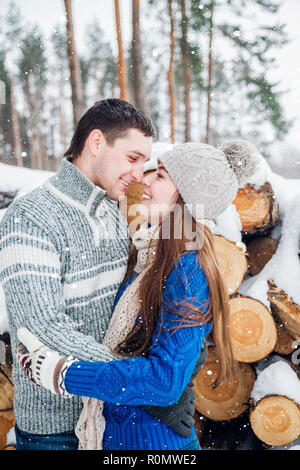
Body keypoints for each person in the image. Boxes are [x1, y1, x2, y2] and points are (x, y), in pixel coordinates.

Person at [17, 140, 262, 450]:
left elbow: (164, 381)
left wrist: (65, 375)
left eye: (160, 175)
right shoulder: (148, 253)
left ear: (186, 199)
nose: (144, 179)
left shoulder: (188, 270)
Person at [0, 99, 201, 450]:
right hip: (56, 428)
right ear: (96, 143)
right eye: (132, 158)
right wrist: (147, 391)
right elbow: (42, 326)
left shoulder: (116, 211)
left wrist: (175, 371)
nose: (140, 174)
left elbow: (156, 290)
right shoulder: (31, 216)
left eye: (145, 163)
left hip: (113, 421)